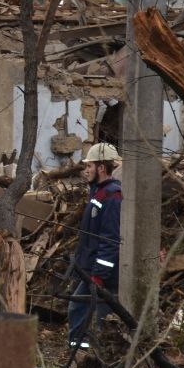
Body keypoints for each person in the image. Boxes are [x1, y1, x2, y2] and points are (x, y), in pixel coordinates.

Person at [69, 142, 123, 350]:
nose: (86, 170)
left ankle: (87, 355)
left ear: (101, 167)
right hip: (91, 268)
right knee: (82, 308)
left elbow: (110, 238)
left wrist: (99, 274)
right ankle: (82, 353)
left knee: (94, 313)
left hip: (103, 273)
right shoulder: (99, 193)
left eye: (89, 166)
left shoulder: (112, 196)